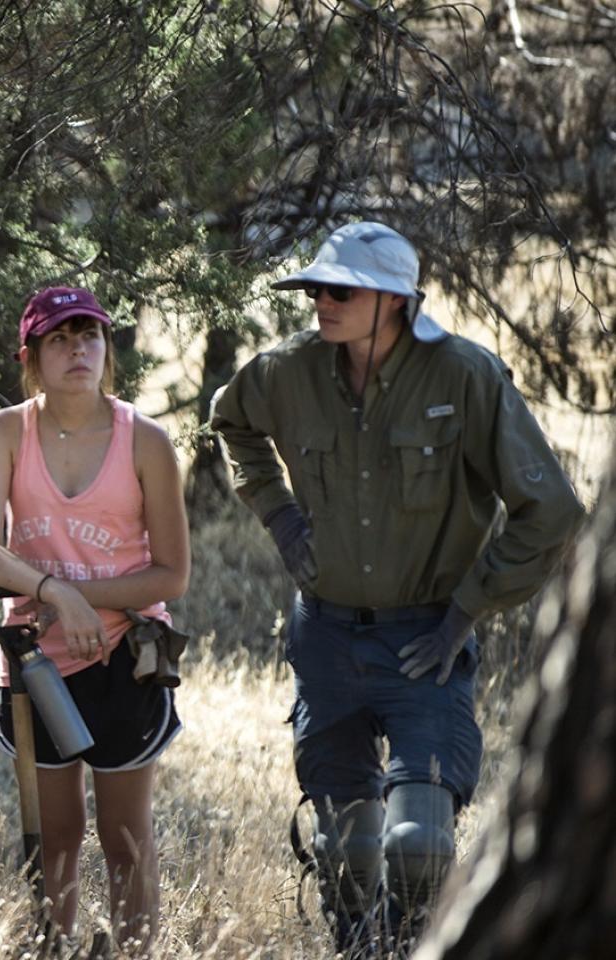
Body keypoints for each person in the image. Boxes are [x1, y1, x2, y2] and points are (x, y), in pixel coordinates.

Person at [210, 221, 584, 954]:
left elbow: (553, 510)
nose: (321, 302)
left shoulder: (465, 376)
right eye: (316, 289)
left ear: (397, 301)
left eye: (341, 291)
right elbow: (233, 423)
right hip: (326, 638)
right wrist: (280, 516)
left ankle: (416, 944)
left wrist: (466, 612)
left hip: (425, 641)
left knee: (417, 845)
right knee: (345, 851)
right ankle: (357, 946)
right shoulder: (286, 370)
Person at [0, 286, 190, 951]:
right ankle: (52, 949)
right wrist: (56, 593)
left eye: (89, 335)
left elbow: (172, 574)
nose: (77, 350)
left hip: (127, 657)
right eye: (58, 339)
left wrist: (86, 600)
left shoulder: (145, 440)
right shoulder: (6, 432)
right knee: (54, 836)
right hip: (34, 660)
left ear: (107, 348)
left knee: (125, 837)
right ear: (30, 357)